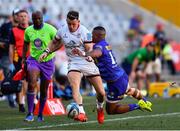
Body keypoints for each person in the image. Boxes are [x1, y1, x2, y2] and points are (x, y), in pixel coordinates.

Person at [39, 10, 105, 124]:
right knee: (75, 86)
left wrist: (87, 55)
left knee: (102, 93)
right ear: (66, 21)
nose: (71, 26)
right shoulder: (62, 30)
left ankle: (100, 108)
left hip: (86, 61)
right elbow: (54, 42)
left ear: (78, 21)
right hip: (73, 62)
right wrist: (47, 51)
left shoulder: (85, 32)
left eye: (73, 24)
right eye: (69, 23)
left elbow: (89, 49)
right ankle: (82, 112)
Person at [73, 26, 152, 115]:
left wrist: (82, 53)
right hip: (120, 75)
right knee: (129, 90)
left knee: (111, 110)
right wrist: (91, 58)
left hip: (115, 82)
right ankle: (145, 101)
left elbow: (97, 53)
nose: (91, 36)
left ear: (97, 36)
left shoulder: (99, 46)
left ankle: (138, 106)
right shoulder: (105, 44)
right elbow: (100, 58)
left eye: (93, 35)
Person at [22, 11, 57, 122]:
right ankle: (30, 113)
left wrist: (48, 51)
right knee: (32, 83)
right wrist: (23, 58)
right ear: (32, 19)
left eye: (39, 19)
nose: (37, 21)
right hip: (34, 60)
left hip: (48, 62)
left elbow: (58, 42)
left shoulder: (51, 29)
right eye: (35, 19)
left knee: (44, 89)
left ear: (43, 18)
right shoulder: (28, 30)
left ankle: (40, 113)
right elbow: (26, 43)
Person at [9, 9, 30, 112]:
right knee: (20, 82)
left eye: (25, 16)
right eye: (21, 16)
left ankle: (30, 100)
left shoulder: (32, 29)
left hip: (31, 59)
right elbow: (11, 47)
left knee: (31, 82)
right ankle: (21, 103)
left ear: (28, 17)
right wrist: (10, 62)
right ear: (17, 18)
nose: (23, 18)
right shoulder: (13, 31)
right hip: (18, 59)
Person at [0, 8, 20, 108]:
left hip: (19, 56)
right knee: (9, 75)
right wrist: (2, 44)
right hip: (6, 55)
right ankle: (11, 99)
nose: (18, 16)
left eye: (20, 14)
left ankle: (18, 99)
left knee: (19, 77)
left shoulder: (25, 27)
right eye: (17, 14)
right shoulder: (5, 26)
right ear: (13, 15)